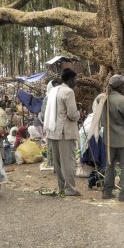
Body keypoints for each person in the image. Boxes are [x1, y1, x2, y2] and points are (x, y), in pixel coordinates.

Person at [45, 68, 81, 196]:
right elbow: (72, 114)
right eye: (75, 79)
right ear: (70, 79)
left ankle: (62, 187)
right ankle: (70, 189)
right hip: (65, 132)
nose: (75, 82)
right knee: (68, 162)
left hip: (53, 130)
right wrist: (79, 114)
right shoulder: (68, 92)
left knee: (59, 163)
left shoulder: (54, 90)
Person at [99, 74, 124, 201]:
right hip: (123, 139)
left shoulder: (102, 98)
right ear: (119, 86)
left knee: (109, 166)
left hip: (109, 138)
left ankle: (107, 192)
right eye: (123, 84)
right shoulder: (123, 100)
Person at [40, 79, 60, 167]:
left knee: (56, 145)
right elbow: (44, 114)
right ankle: (53, 163)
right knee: (52, 145)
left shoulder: (59, 96)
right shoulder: (47, 99)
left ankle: (56, 163)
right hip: (51, 126)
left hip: (58, 125)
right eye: (54, 86)